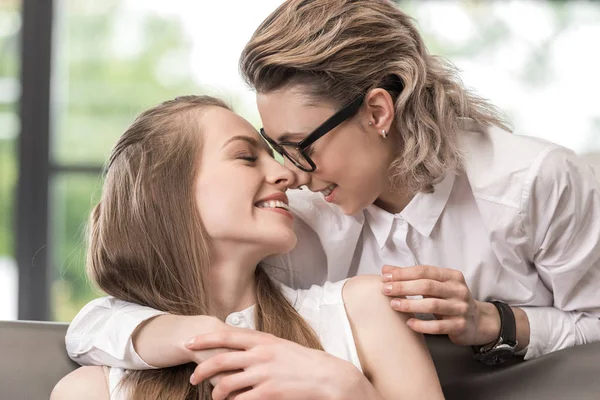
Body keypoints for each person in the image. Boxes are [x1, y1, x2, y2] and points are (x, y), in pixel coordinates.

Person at [65, 0, 600, 393]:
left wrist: (495, 323)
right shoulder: (288, 215)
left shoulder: (531, 184)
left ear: (377, 112)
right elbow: (111, 315)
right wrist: (189, 336)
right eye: (269, 150)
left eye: (300, 147)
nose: (288, 173)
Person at [51, 95, 443, 400]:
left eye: (272, 156)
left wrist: (346, 387)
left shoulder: (365, 312)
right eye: (245, 157)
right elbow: (90, 326)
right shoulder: (93, 389)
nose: (287, 173)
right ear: (159, 193)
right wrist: (199, 335)